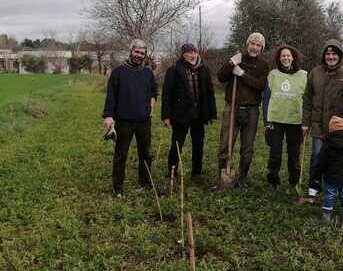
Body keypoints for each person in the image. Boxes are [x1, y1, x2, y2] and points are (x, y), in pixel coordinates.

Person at [102, 39, 158, 198]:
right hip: (123, 120)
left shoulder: (147, 72)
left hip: (143, 120)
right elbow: (110, 96)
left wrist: (152, 102)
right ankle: (117, 188)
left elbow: (154, 91)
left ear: (145, 55)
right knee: (121, 154)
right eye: (136, 51)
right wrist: (108, 115)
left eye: (142, 53)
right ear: (131, 51)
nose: (139, 55)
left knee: (145, 153)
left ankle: (145, 183)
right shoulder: (118, 72)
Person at [302, 39, 343, 204]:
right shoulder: (315, 72)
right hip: (317, 123)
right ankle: (313, 190)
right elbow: (307, 98)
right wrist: (305, 122)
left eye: (334, 54)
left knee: (336, 159)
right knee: (317, 156)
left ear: (339, 56)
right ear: (324, 56)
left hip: (338, 127)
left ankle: (334, 188)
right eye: (328, 54)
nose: (331, 57)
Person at [217, 32, 269, 188]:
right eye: (252, 44)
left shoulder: (263, 65)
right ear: (248, 45)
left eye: (258, 45)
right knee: (226, 143)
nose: (254, 47)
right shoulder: (237, 59)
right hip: (232, 106)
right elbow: (220, 77)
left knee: (247, 146)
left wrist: (242, 74)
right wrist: (231, 63)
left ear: (261, 48)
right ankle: (222, 175)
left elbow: (260, 86)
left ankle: (242, 178)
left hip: (251, 109)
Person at [161, 43, 217, 183]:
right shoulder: (174, 70)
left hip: (199, 115)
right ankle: (172, 171)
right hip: (180, 115)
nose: (192, 55)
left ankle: (196, 173)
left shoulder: (204, 70)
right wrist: (166, 115)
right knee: (177, 144)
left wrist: (211, 114)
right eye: (189, 53)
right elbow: (166, 94)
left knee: (198, 144)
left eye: (194, 52)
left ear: (197, 53)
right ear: (183, 55)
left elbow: (210, 93)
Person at [262, 45, 307, 189]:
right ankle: (272, 180)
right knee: (275, 152)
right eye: (283, 56)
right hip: (276, 120)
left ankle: (294, 182)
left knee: (294, 153)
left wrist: (306, 121)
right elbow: (266, 99)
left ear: (293, 57)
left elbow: (308, 100)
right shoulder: (272, 75)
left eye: (288, 55)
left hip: (296, 120)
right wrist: (267, 120)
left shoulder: (304, 75)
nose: (285, 58)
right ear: (279, 58)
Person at [313, 116, 343, 224]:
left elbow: (320, 163)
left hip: (330, 177)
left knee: (329, 195)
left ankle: (326, 216)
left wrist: (316, 176)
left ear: (330, 129)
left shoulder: (327, 145)